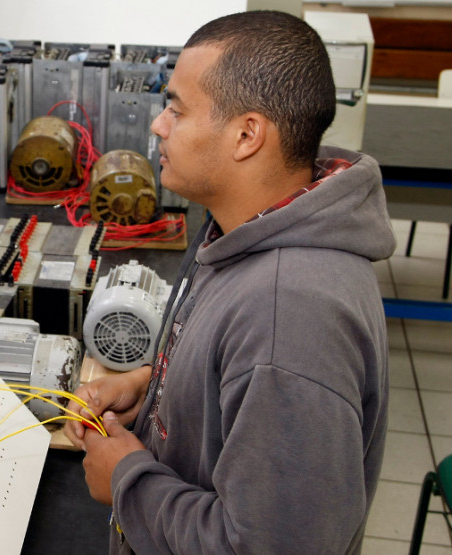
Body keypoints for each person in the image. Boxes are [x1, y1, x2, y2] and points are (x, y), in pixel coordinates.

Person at [64, 10, 396, 554]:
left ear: (246, 135)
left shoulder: (290, 316)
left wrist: (127, 480)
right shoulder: (252, 226)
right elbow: (247, 385)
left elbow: (272, 547)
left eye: (176, 107)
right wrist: (154, 388)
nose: (158, 124)